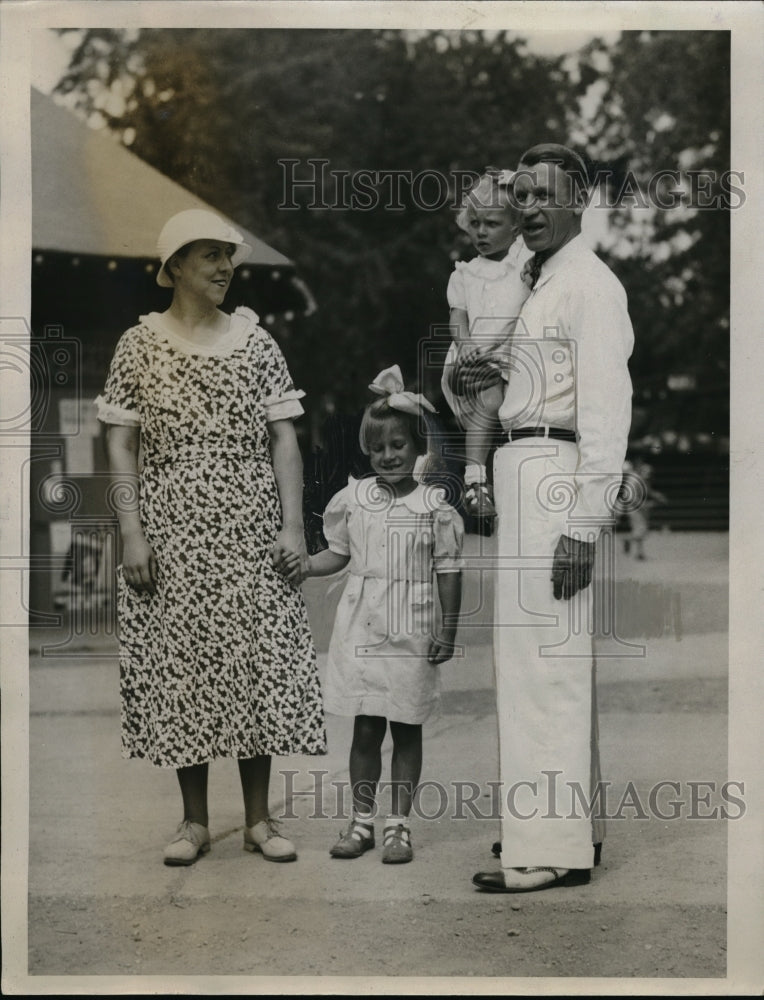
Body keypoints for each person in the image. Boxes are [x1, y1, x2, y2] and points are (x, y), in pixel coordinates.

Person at [95, 208, 327, 866]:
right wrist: (132, 534)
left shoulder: (257, 342)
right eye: (209, 257)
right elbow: (120, 444)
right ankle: (193, 822)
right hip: (170, 529)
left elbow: (285, 438)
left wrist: (290, 525)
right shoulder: (138, 344)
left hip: (250, 528)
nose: (225, 268)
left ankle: (259, 820)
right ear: (173, 270)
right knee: (183, 668)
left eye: (228, 257)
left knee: (256, 664)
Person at [460, 144, 634, 892]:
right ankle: (567, 830)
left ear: (579, 201)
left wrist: (585, 523)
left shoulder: (590, 285)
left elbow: (605, 411)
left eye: (542, 196)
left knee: (544, 667)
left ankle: (547, 850)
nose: (527, 209)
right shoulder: (542, 282)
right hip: (524, 465)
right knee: (537, 659)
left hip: (557, 481)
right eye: (520, 195)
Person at [289, 366, 464, 864]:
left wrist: (446, 630)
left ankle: (399, 826)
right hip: (363, 627)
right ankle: (361, 822)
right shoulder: (354, 499)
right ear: (367, 452)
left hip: (412, 628)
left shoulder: (434, 506)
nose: (388, 456)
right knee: (366, 729)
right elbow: (338, 554)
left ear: (417, 446)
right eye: (378, 448)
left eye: (398, 446)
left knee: (407, 725)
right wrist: (304, 566)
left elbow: (449, 571)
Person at [441, 169, 531, 521]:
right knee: (489, 398)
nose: (480, 232)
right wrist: (463, 345)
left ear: (515, 227)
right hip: (473, 353)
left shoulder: (522, 261)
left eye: (491, 224)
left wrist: (512, 181)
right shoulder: (464, 273)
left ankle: (495, 483)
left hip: (508, 355)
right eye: (475, 223)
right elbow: (457, 318)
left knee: (503, 410)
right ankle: (475, 481)